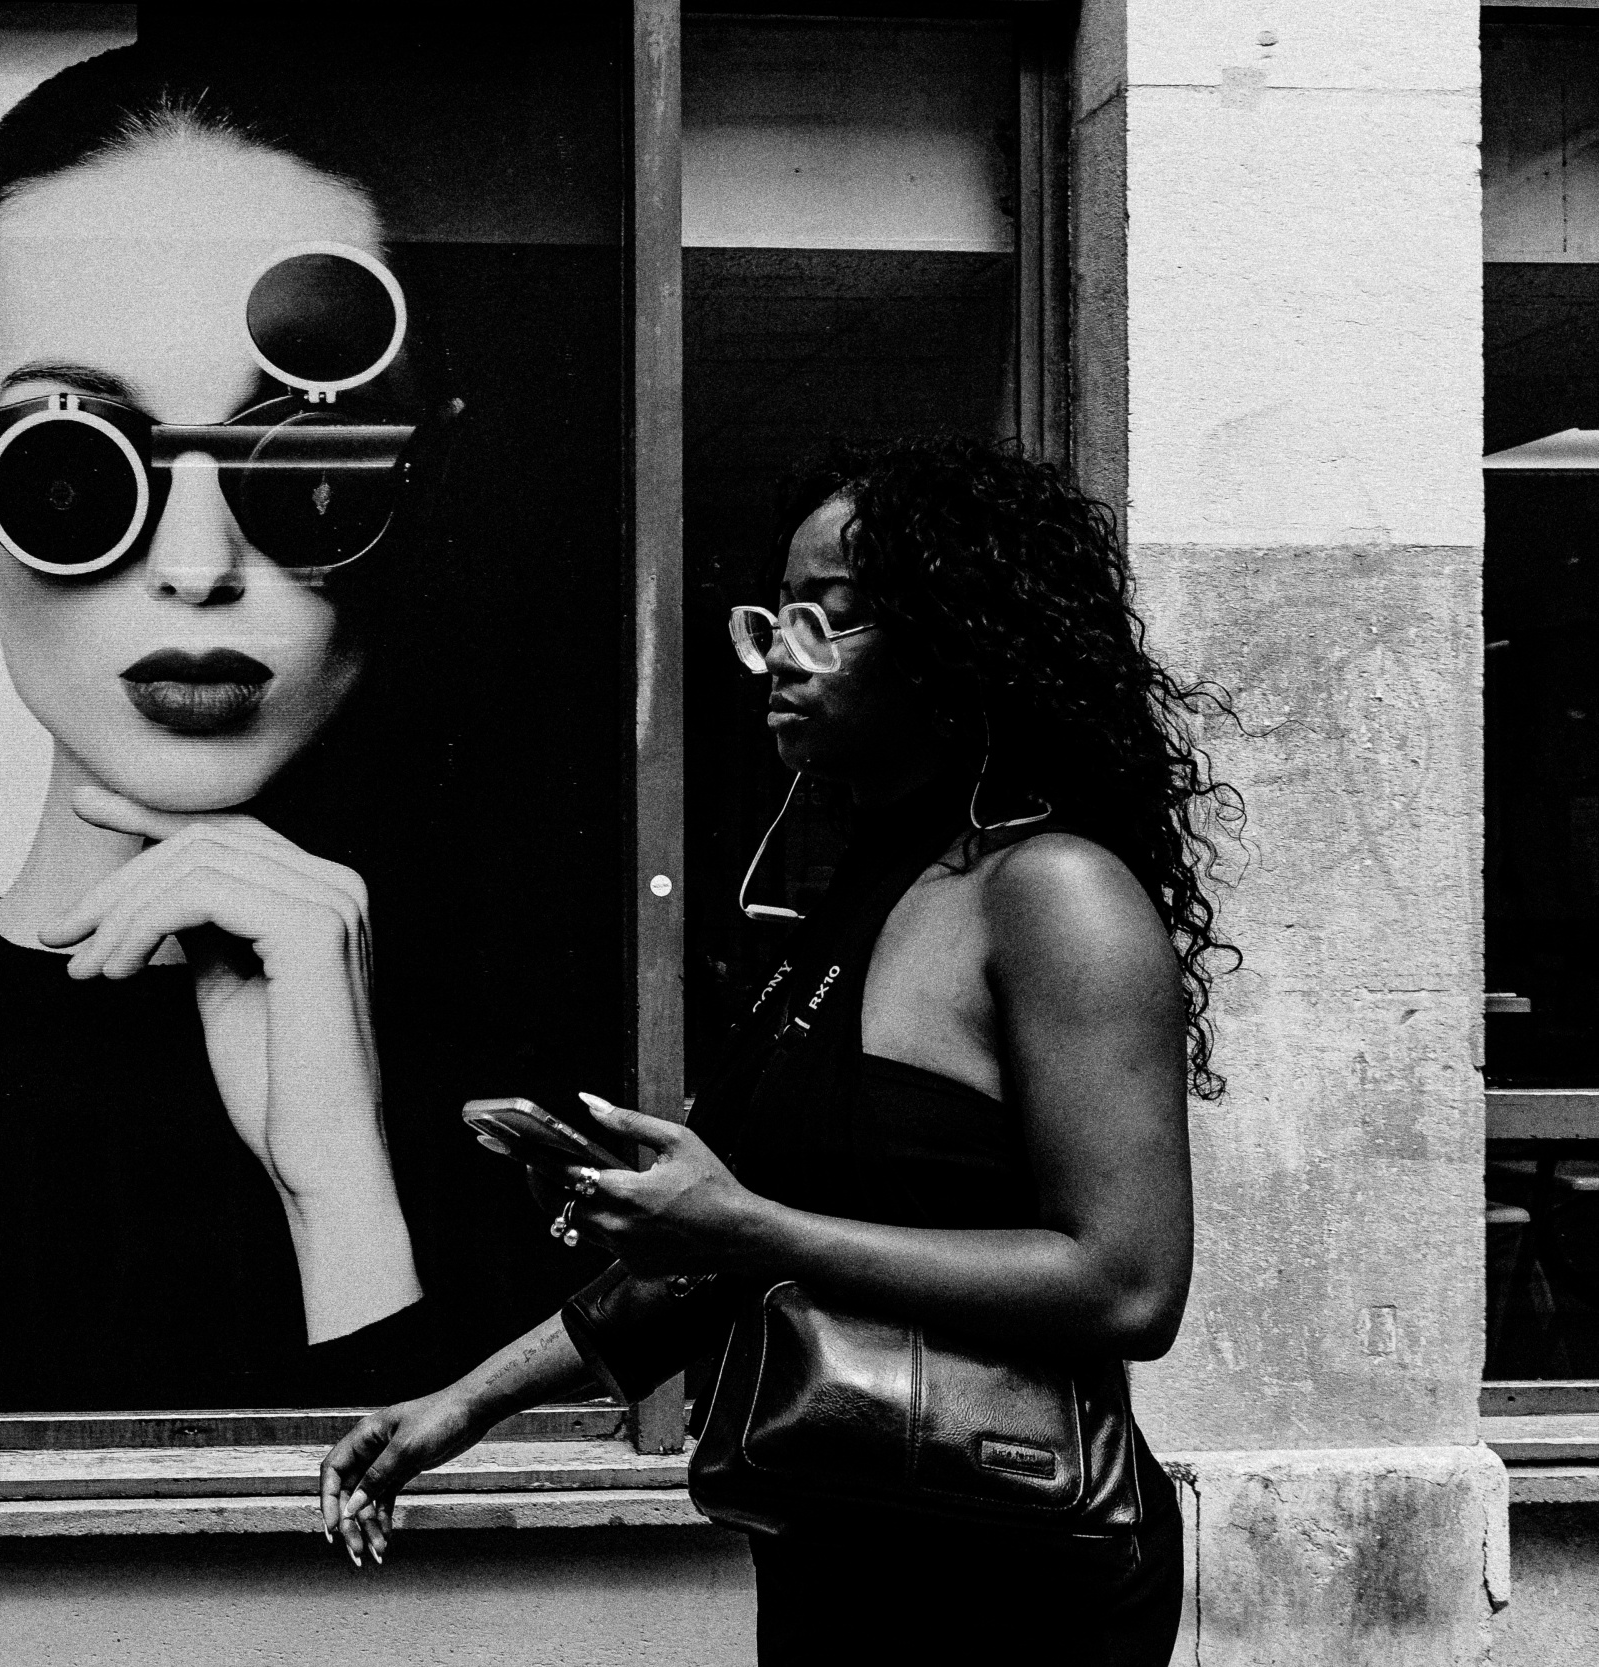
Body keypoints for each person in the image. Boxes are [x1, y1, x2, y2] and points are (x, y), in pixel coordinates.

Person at [319, 437, 1239, 1666]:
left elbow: (1127, 1284)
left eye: (831, 616)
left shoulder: (1052, 892)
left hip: (1013, 1568)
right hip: (836, 1538)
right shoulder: (859, 894)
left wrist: (747, 1225)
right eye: (775, 616)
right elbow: (726, 1251)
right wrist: (465, 1402)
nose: (779, 655)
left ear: (954, 636)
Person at [0, 48, 457, 1412]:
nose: (196, 565)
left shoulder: (551, 1089)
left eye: (303, 459)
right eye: (73, 464)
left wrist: (339, 1191)